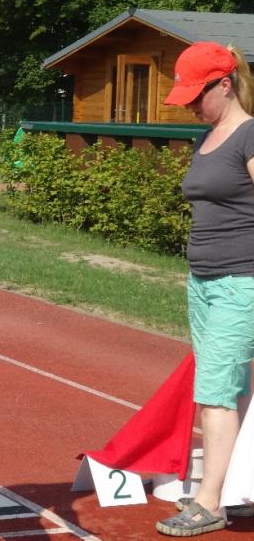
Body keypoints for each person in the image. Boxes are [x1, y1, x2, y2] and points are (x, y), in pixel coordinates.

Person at [155, 41, 254, 537]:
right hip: (204, 282)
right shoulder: (206, 137)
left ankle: (209, 502)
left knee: (215, 392)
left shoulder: (250, 135)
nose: (191, 106)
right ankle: (239, 487)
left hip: (243, 282)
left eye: (197, 95)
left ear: (225, 84)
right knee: (233, 389)